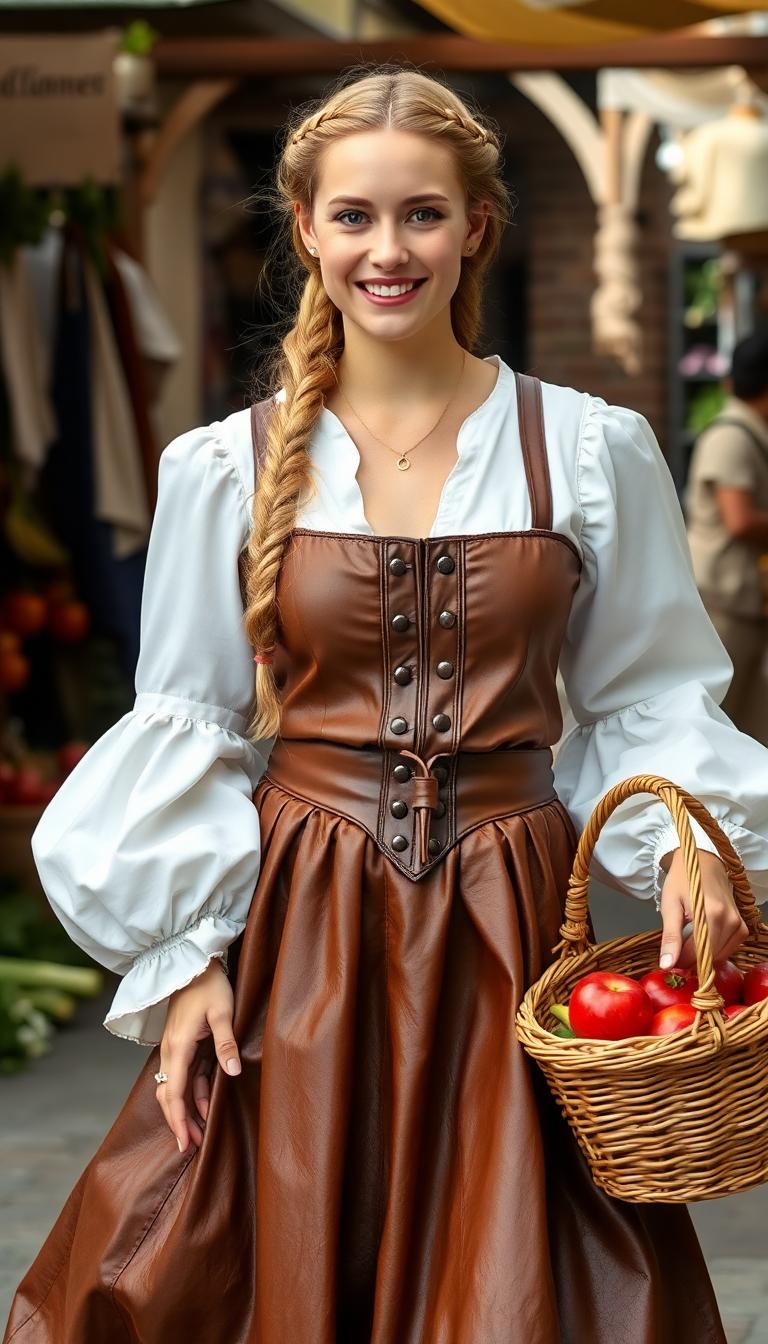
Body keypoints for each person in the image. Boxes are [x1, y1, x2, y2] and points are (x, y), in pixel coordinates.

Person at [5, 64, 768, 1344]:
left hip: (512, 927)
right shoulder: (222, 467)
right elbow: (187, 716)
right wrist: (188, 963)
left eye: (422, 213)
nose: (387, 249)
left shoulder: (587, 448)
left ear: (477, 223)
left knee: (529, 1280)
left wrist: (696, 841)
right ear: (304, 228)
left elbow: (646, 697)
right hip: (297, 929)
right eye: (354, 216)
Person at [686, 326, 768, 744]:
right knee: (720, 725)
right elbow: (739, 519)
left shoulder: (748, 432)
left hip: (741, 602)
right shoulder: (731, 437)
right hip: (722, 603)